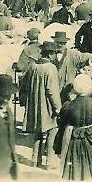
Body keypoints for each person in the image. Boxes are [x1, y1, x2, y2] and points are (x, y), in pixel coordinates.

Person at [54, 73, 92, 180]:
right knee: (89, 170)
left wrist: (58, 146)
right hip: (91, 139)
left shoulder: (68, 106)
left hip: (73, 141)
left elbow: (61, 125)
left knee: (73, 169)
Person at [21, 41, 63, 169]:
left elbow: (25, 85)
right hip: (47, 106)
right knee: (52, 130)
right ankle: (49, 161)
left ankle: (35, 159)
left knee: (37, 131)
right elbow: (52, 91)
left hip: (34, 104)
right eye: (55, 53)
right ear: (50, 54)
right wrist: (58, 108)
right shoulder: (50, 68)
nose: (55, 56)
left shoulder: (33, 66)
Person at [52, 31, 92, 103]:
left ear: (66, 43)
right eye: (58, 42)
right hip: (53, 91)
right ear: (54, 42)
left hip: (67, 91)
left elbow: (86, 56)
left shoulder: (72, 54)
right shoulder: (50, 54)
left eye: (63, 43)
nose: (60, 45)